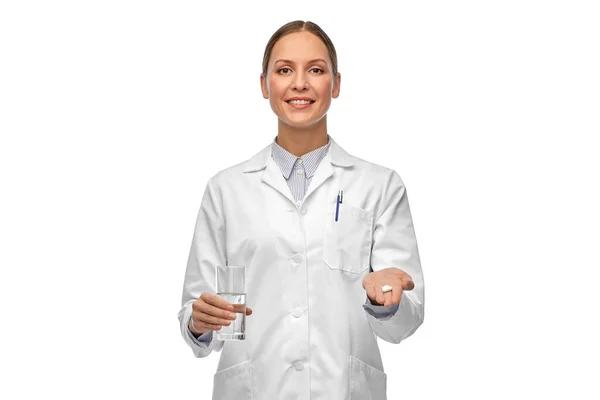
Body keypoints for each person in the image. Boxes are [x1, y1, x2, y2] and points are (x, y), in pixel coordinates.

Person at [177, 20, 424, 400]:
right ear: (264, 85)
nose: (300, 83)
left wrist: (385, 301)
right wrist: (199, 322)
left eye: (316, 70)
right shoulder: (225, 190)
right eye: (284, 70)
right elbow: (201, 323)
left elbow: (404, 324)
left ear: (336, 84)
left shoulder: (379, 186)